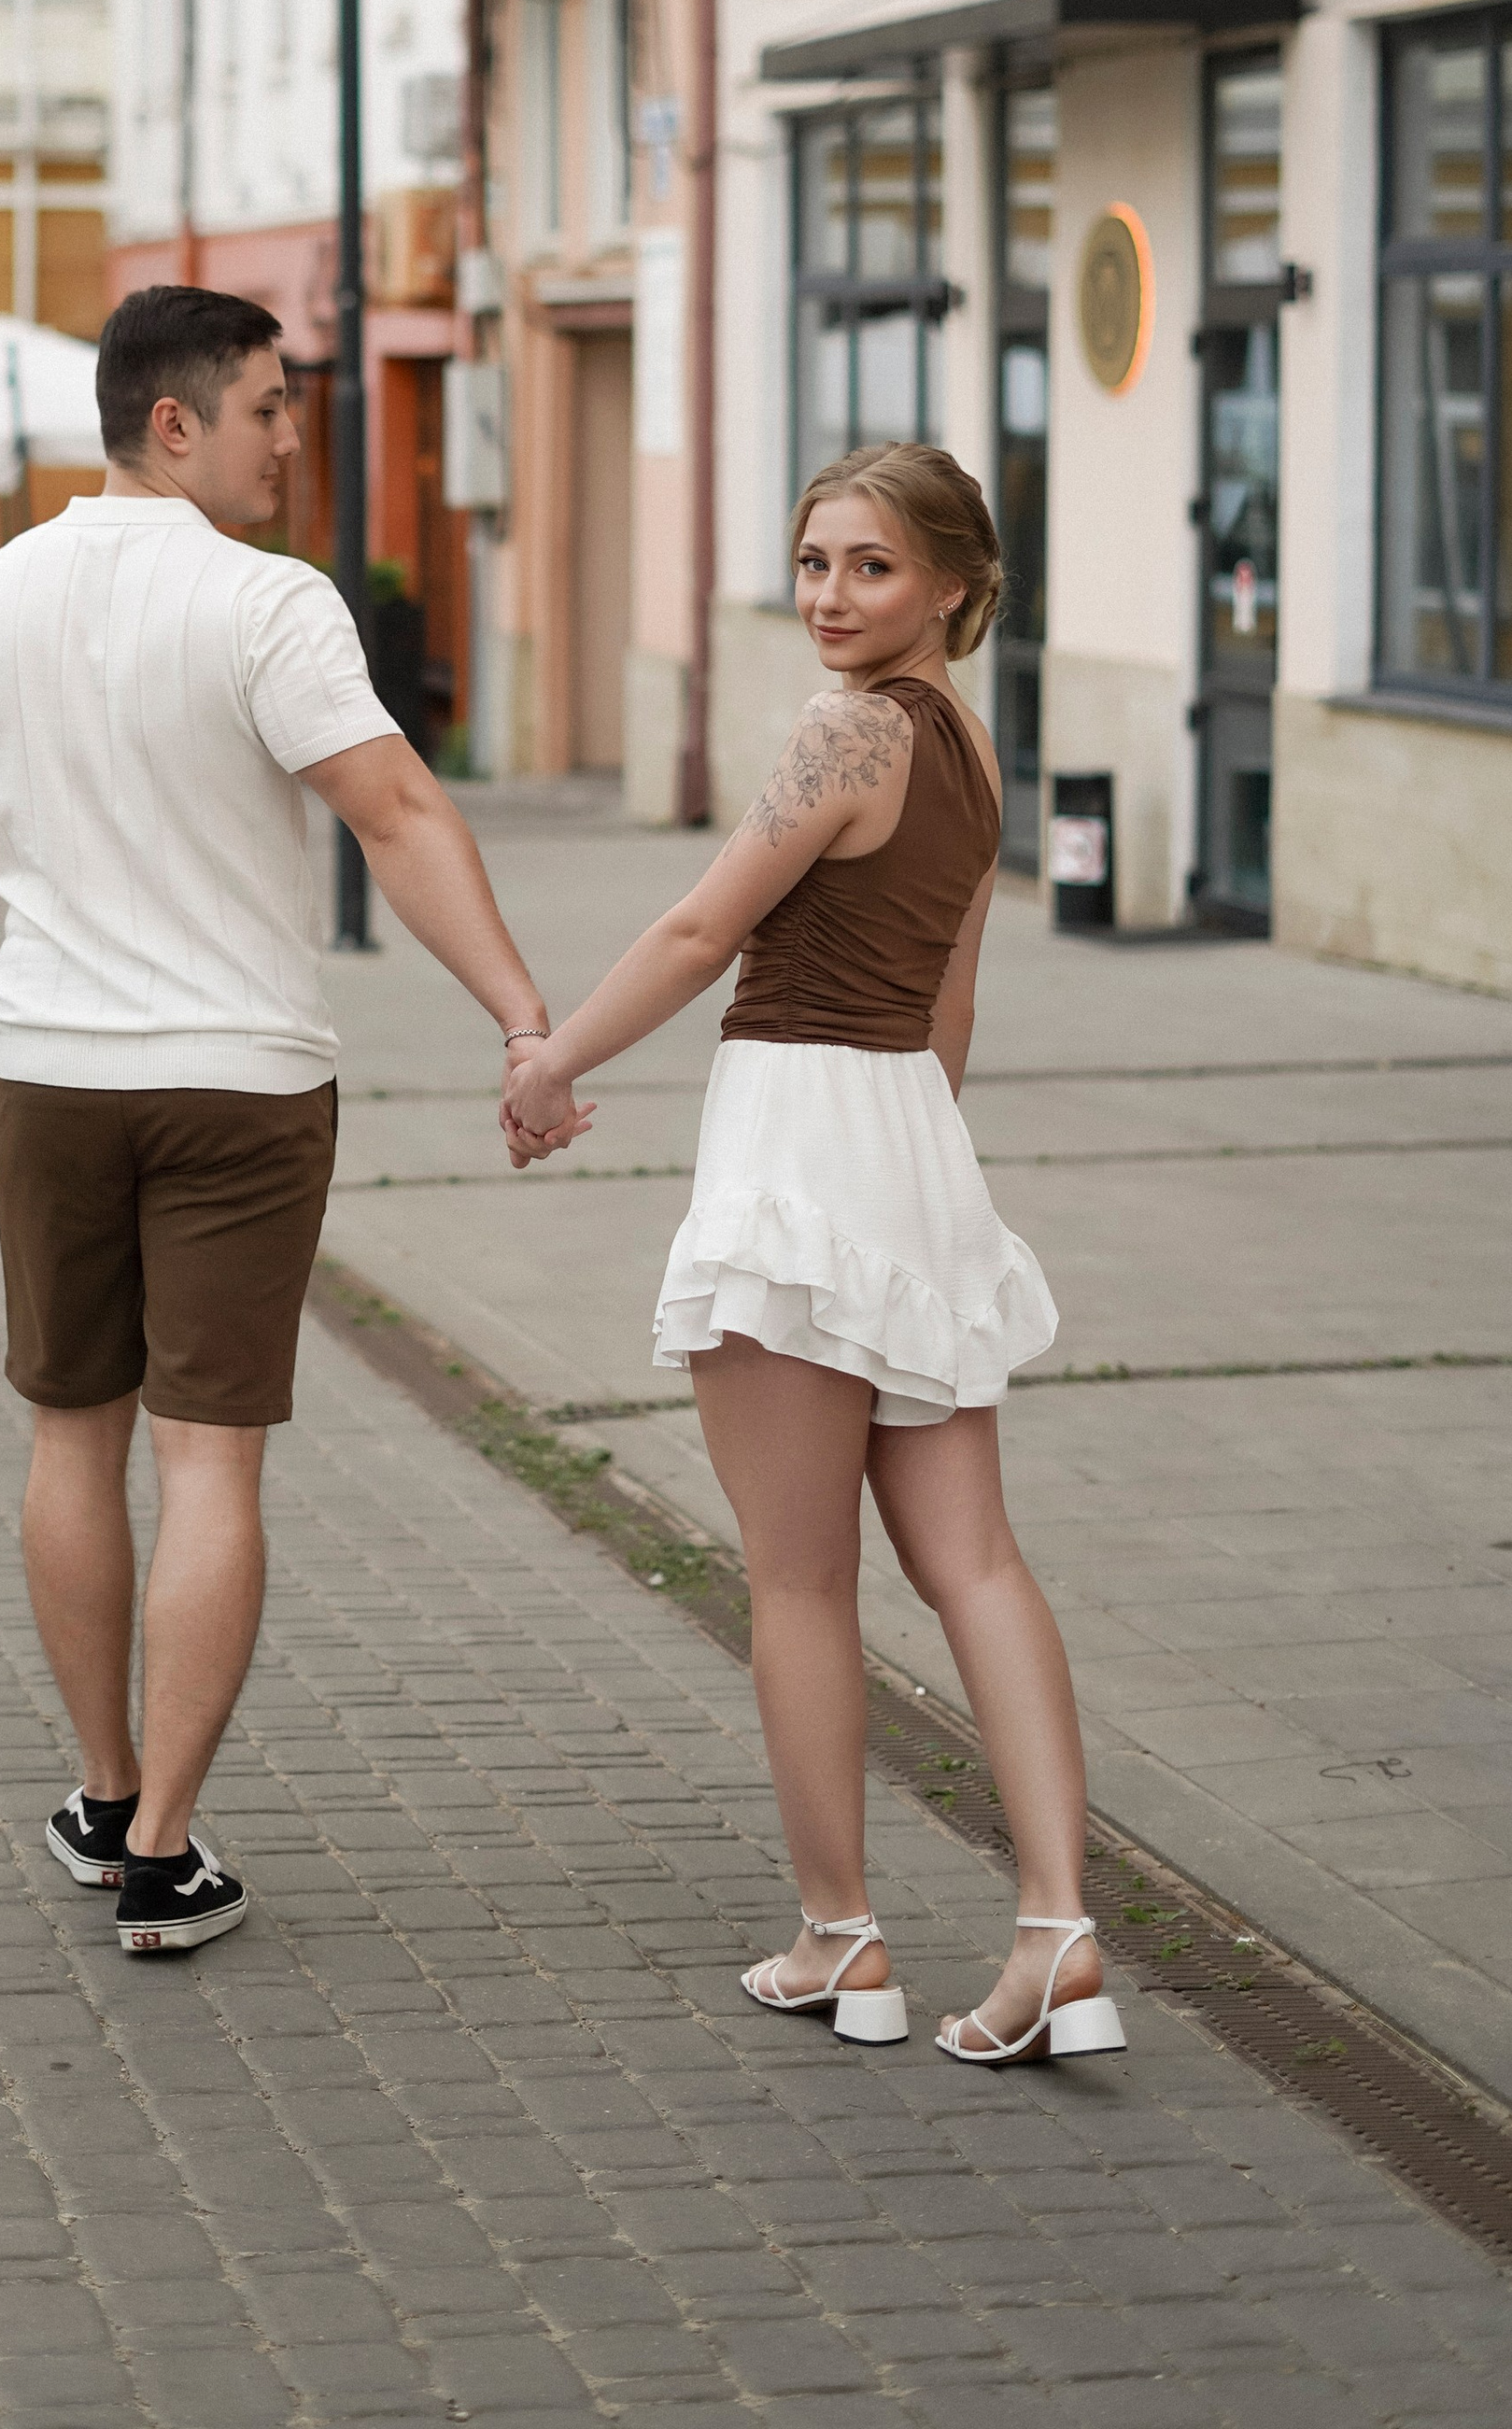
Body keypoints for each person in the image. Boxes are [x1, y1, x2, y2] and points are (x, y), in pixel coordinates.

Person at [0, 283, 556, 1956]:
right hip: (240, 1085)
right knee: (210, 1463)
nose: (290, 442)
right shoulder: (271, 604)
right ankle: (164, 1855)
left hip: (48, 1072)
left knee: (71, 1433)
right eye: (269, 408)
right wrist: (520, 1015)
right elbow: (394, 812)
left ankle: (104, 1792)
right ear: (174, 421)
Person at [503, 443, 1122, 2068]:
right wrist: (918, 1173)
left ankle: (841, 1938)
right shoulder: (975, 752)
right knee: (975, 1560)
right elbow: (952, 1003)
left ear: (953, 587)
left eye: (871, 566)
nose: (830, 596)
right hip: (910, 1138)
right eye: (813, 562)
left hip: (800, 1138)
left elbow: (703, 930)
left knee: (798, 1576)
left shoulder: (846, 731)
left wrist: (555, 1062)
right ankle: (1058, 1929)